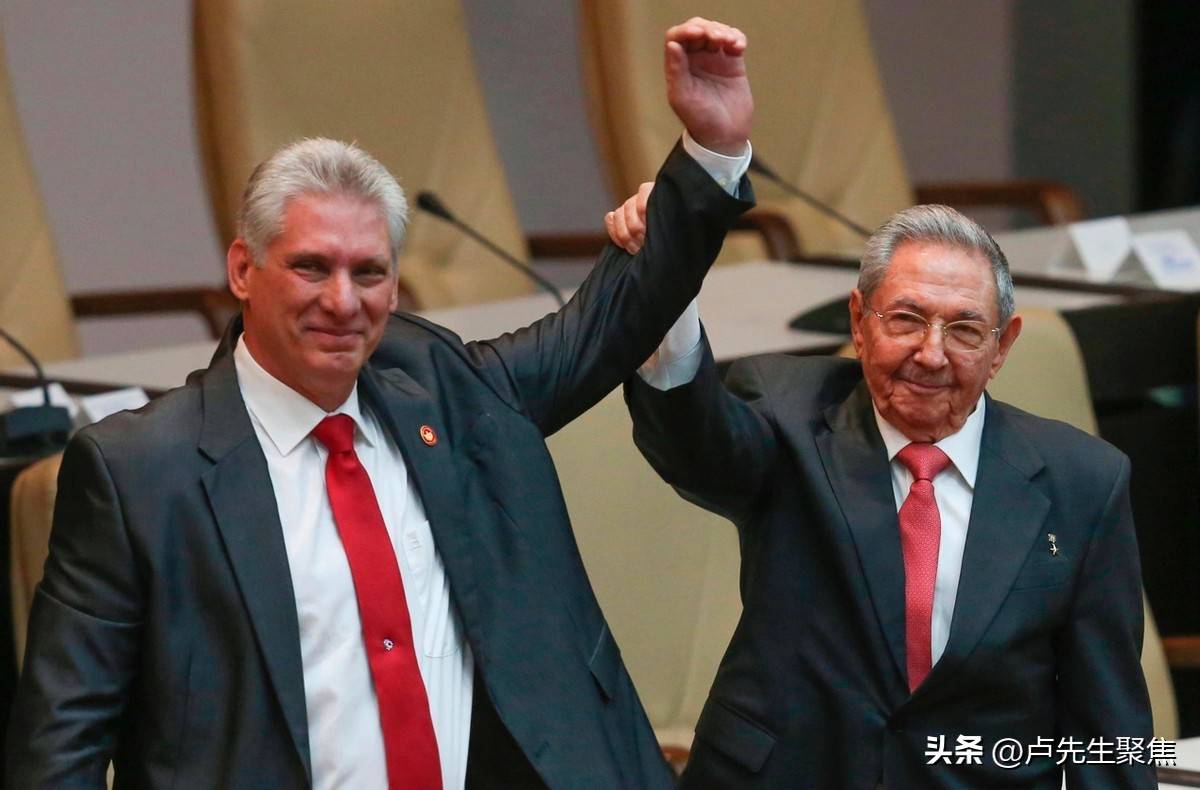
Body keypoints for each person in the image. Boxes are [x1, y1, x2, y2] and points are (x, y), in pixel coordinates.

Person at [7, 18, 755, 789]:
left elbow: (603, 325)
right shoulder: (140, 473)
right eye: (311, 267)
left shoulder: (449, 395)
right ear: (242, 270)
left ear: (396, 288)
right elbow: (58, 748)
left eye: (368, 272)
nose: (342, 301)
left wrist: (710, 151)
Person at [608, 195, 1155, 787]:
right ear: (859, 322)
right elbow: (694, 444)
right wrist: (668, 280)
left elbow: (1107, 726)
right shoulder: (786, 413)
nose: (931, 354)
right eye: (906, 320)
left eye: (965, 330)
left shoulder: (1083, 480)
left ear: (1001, 347)